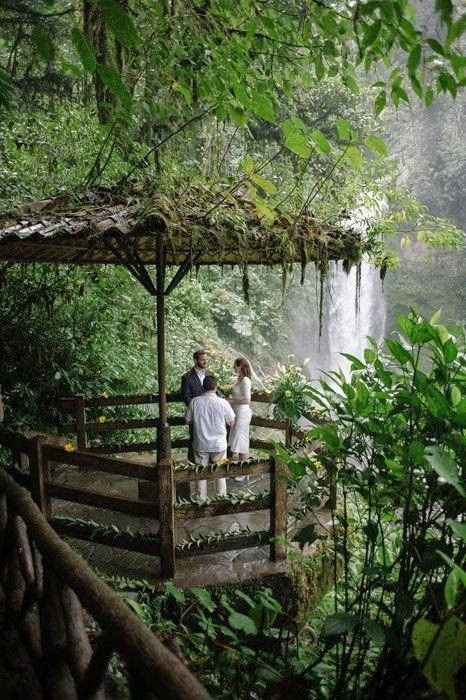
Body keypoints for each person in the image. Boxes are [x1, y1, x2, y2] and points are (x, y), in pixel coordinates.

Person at [185, 375, 235, 499]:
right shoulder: (223, 402)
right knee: (221, 472)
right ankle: (221, 498)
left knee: (200, 473)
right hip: (219, 445)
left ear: (203, 387)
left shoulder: (195, 402)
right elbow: (231, 422)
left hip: (200, 444)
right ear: (216, 387)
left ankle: (200, 499)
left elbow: (187, 420)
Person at [228, 358, 252, 462]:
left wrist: (231, 400)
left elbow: (247, 400)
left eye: (235, 366)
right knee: (239, 439)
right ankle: (242, 471)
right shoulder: (239, 379)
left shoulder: (245, 380)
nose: (233, 367)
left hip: (242, 413)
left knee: (242, 440)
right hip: (236, 412)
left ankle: (244, 472)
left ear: (241, 366)